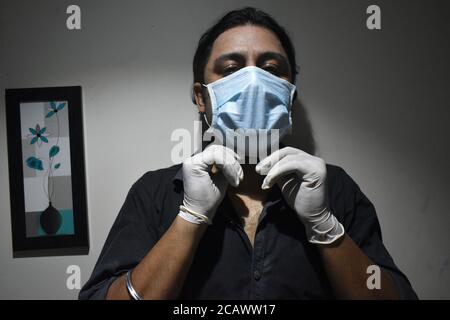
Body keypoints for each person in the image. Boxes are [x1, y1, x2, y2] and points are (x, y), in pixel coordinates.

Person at [79, 7, 417, 300]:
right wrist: (191, 217)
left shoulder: (336, 189)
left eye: (271, 69)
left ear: (288, 94)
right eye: (230, 70)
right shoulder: (154, 194)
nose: (253, 82)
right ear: (201, 97)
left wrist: (324, 226)